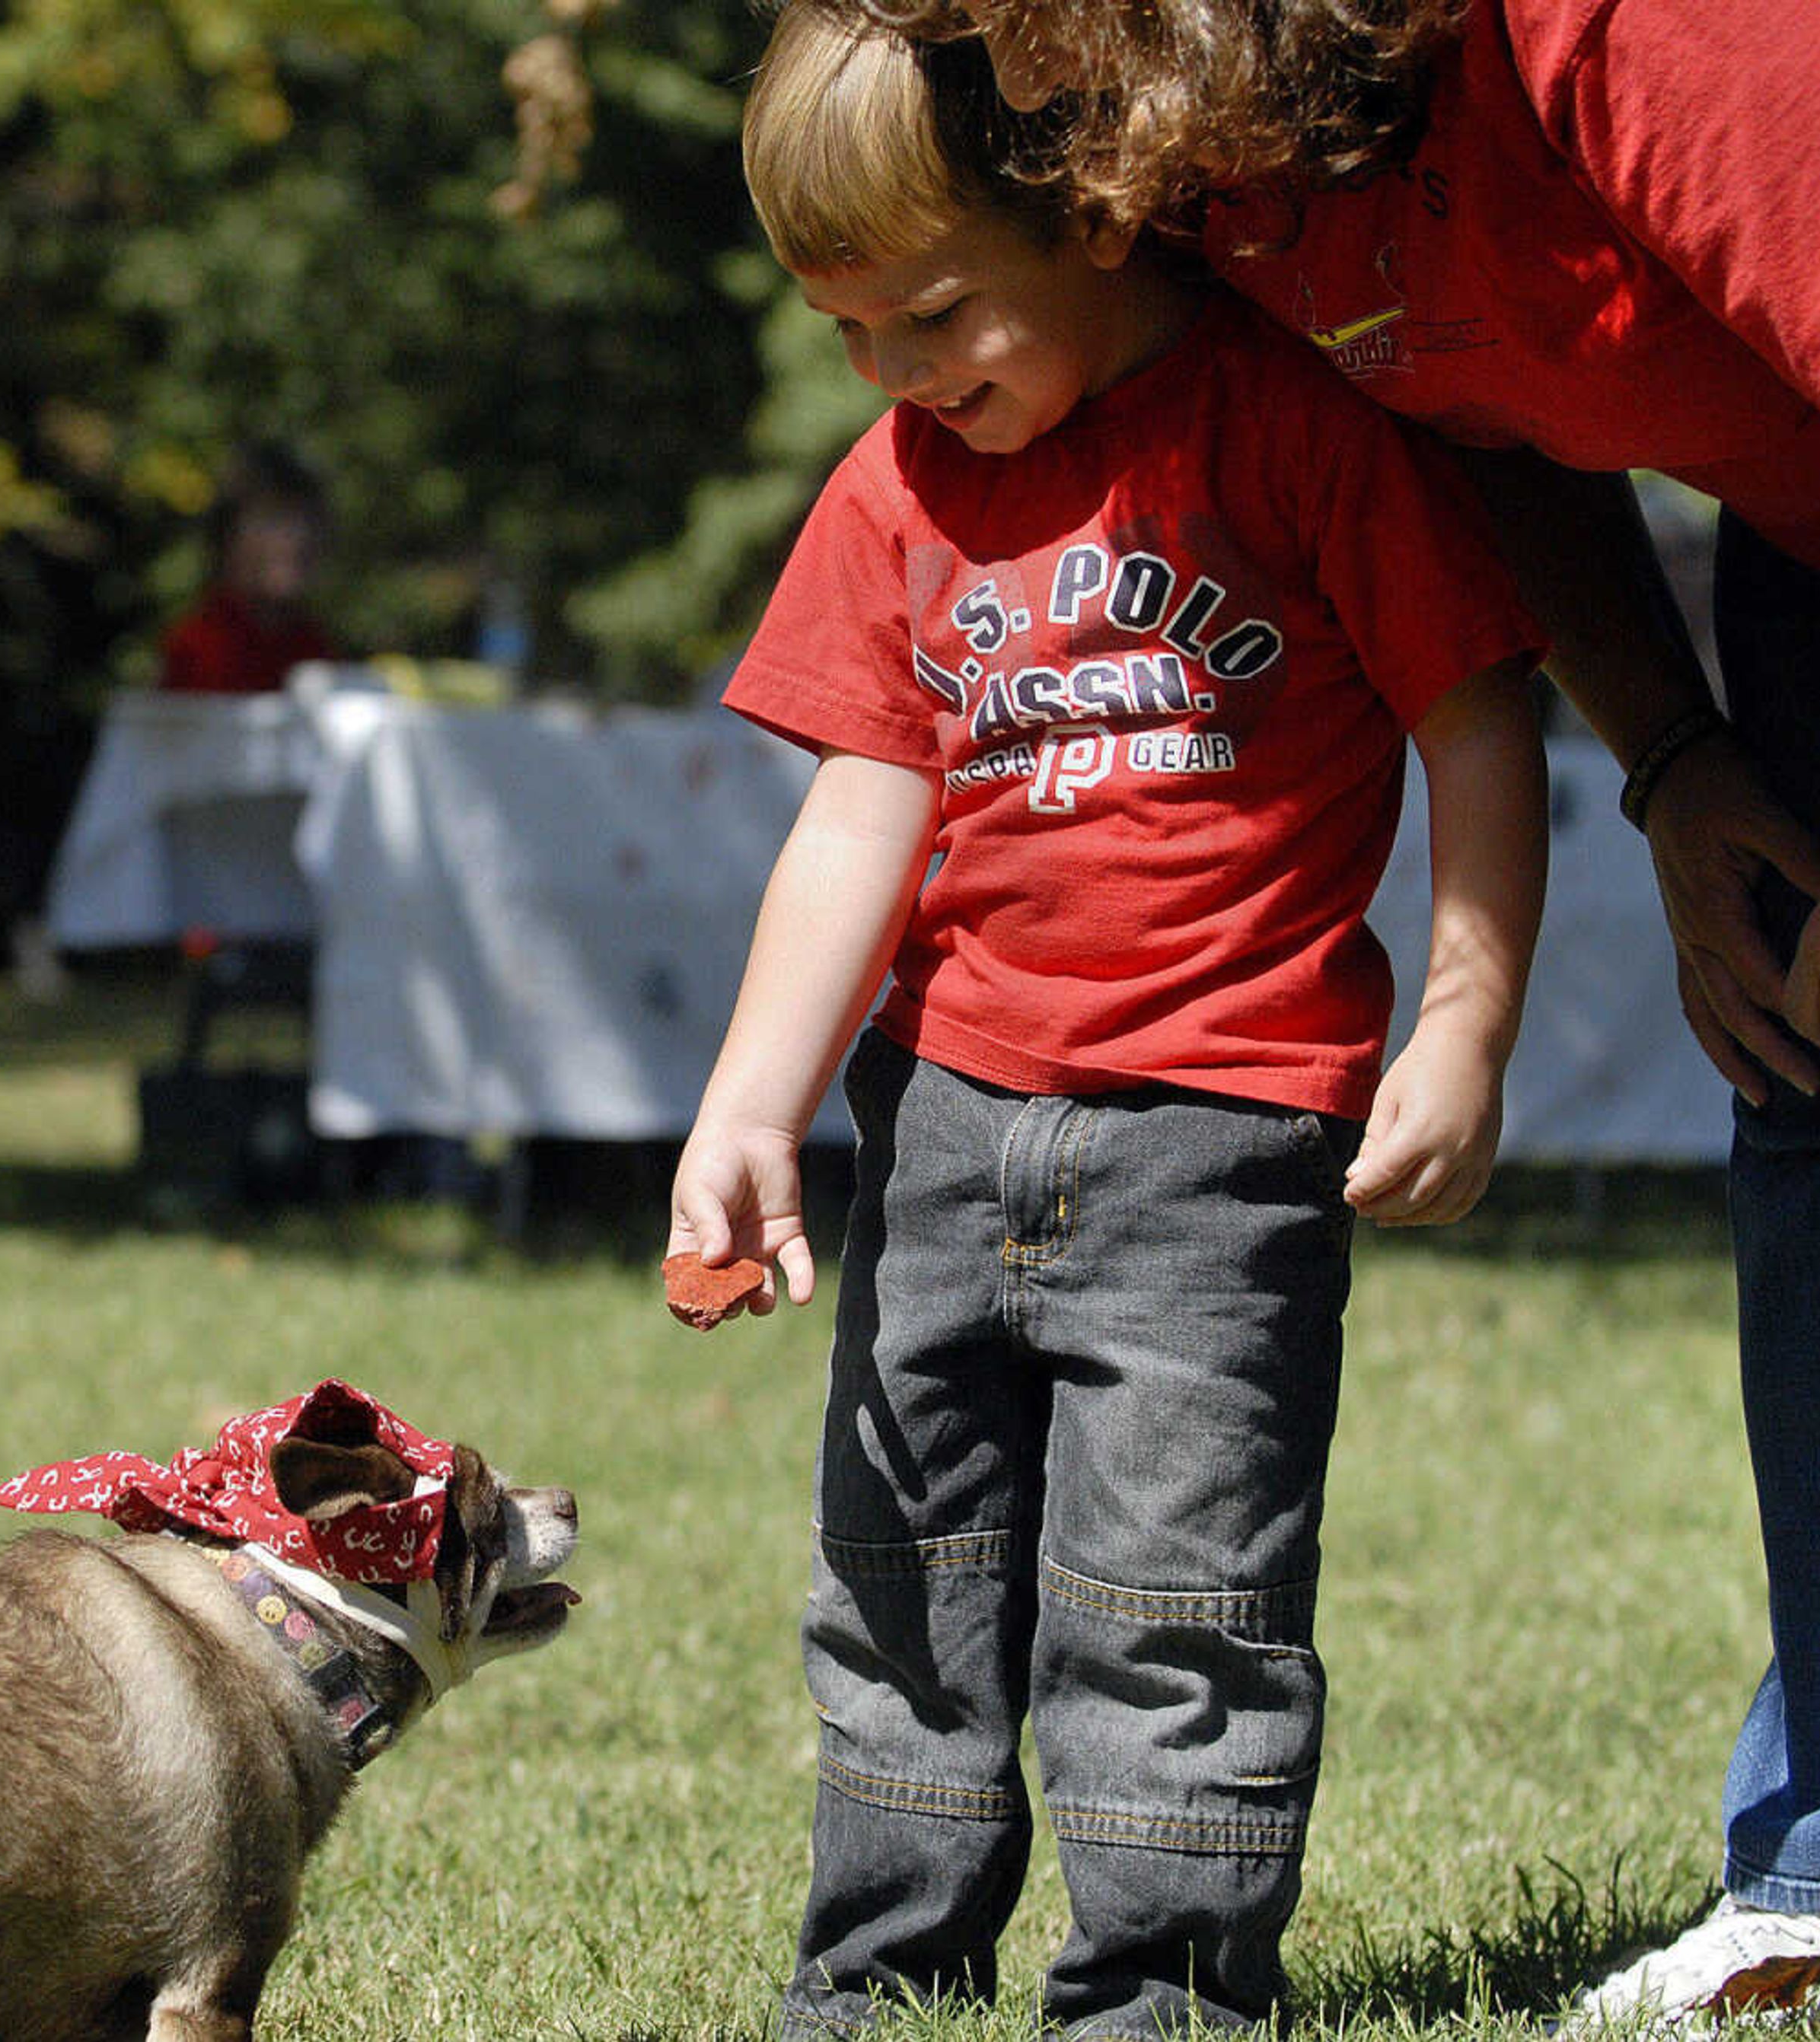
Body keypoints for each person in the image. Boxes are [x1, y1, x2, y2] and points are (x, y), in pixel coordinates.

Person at [836, 0, 1820, 2034]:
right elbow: (1459, 422)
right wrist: (1676, 760)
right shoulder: (1213, 125)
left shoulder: (1709, 30)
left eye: (1009, 26)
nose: (1009, 86)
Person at [666, 6, 1550, 2031]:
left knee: (1177, 1603)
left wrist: (1466, 1024)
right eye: (850, 336)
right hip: (948, 1113)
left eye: (935, 313)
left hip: (1218, 1134)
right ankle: (882, 1975)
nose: (895, 373)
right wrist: (752, 1103)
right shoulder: (900, 486)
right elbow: (862, 804)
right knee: (903, 1566)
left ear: (1091, 211)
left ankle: (1156, 1991)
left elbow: (1477, 718)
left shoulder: (1298, 428)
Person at [156, 441, 340, 695]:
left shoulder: (313, 648)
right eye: (276, 519)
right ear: (227, 536)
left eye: (310, 521)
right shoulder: (199, 647)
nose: (301, 538)